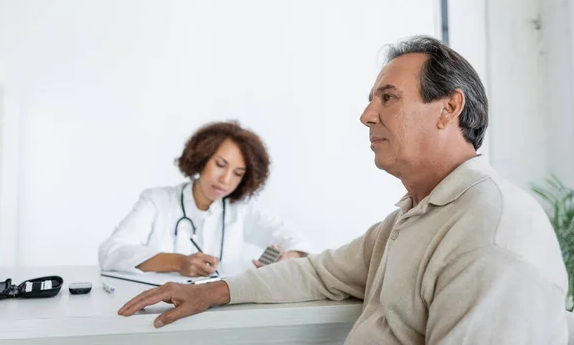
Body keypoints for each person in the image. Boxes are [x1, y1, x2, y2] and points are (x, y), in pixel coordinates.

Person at [118, 36, 568, 344]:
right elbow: (319, 273)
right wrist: (211, 292)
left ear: (449, 108)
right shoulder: (409, 220)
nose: (366, 115)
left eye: (387, 97)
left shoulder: (491, 230)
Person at [99, 121, 312, 276]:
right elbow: (112, 251)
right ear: (202, 158)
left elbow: (295, 240)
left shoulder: (241, 211)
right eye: (220, 165)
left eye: (238, 174)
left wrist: (290, 257)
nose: (226, 179)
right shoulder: (158, 201)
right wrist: (178, 262)